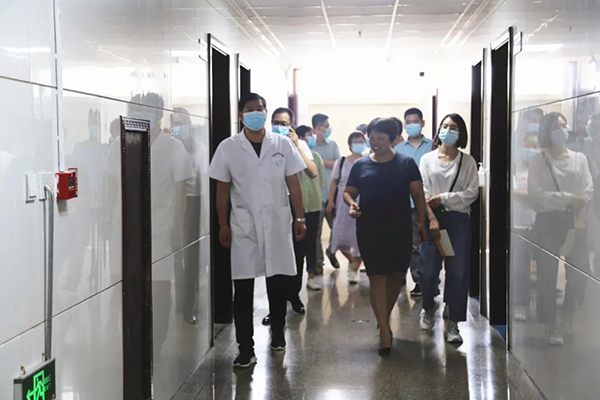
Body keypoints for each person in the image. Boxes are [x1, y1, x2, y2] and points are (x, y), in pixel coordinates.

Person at [208, 93, 307, 368]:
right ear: (241, 115)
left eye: (260, 109)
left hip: (277, 222)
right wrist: (223, 223)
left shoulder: (282, 144)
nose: (255, 113)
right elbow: (222, 188)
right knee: (242, 289)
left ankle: (278, 334)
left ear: (265, 112)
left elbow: (294, 182)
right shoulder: (229, 147)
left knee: (278, 283)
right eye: (249, 109)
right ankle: (245, 348)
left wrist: (300, 217)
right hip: (244, 225)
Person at [343, 118, 427, 356]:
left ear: (392, 139)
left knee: (395, 276)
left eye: (380, 137)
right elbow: (348, 192)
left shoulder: (406, 163)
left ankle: (384, 318)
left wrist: (422, 221)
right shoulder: (360, 165)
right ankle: (384, 332)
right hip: (370, 228)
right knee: (377, 277)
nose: (375, 141)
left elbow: (418, 194)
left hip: (399, 228)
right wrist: (351, 204)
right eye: (372, 137)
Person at [528, 112, 593, 346]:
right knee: (547, 274)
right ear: (547, 131)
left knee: (580, 272)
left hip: (575, 220)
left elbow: (587, 191)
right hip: (547, 221)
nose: (562, 130)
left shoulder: (579, 159)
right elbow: (536, 195)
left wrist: (573, 205)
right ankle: (551, 323)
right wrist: (567, 197)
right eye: (557, 127)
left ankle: (567, 315)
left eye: (564, 126)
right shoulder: (538, 161)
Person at [419, 113, 479, 345]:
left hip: (458, 221)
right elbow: (423, 192)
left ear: (461, 133)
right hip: (432, 219)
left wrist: (443, 198)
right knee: (427, 270)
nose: (448, 131)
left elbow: (471, 193)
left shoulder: (468, 162)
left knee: (458, 272)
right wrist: (432, 218)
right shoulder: (427, 160)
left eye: (453, 127)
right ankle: (428, 306)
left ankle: (453, 320)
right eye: (445, 126)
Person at [261, 108, 318, 326]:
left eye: (284, 123)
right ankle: (274, 308)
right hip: (272, 205)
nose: (279, 127)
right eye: (276, 122)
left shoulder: (300, 144)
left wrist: (296, 146)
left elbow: (312, 172)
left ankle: (294, 296)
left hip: (295, 205)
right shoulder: (265, 143)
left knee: (297, 254)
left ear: (291, 125)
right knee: (273, 256)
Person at [394, 108, 434, 297]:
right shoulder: (398, 150)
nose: (412, 125)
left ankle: (431, 279)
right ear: (404, 125)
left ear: (422, 123)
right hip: (407, 205)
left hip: (431, 203)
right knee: (413, 246)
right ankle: (419, 281)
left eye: (415, 121)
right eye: (408, 122)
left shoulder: (433, 146)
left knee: (430, 244)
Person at [327, 132, 367, 285]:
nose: (358, 143)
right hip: (343, 203)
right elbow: (334, 182)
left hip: (363, 201)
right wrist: (331, 201)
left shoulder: (368, 160)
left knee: (361, 237)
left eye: (361, 141)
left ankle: (354, 268)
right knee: (340, 236)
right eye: (355, 141)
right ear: (350, 145)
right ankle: (352, 261)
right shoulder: (341, 161)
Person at [298, 125, 327, 290]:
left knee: (312, 242)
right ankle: (294, 279)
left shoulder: (316, 157)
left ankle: (311, 275)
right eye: (309, 135)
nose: (312, 138)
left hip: (314, 205)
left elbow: (320, 180)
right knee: (297, 244)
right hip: (297, 207)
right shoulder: (292, 156)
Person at [313, 113, 342, 271]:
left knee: (337, 229)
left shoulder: (333, 144)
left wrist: (319, 161)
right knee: (315, 234)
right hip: (315, 197)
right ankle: (318, 263)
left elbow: (337, 164)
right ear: (317, 128)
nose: (328, 129)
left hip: (332, 196)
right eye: (326, 126)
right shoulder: (309, 146)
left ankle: (331, 250)